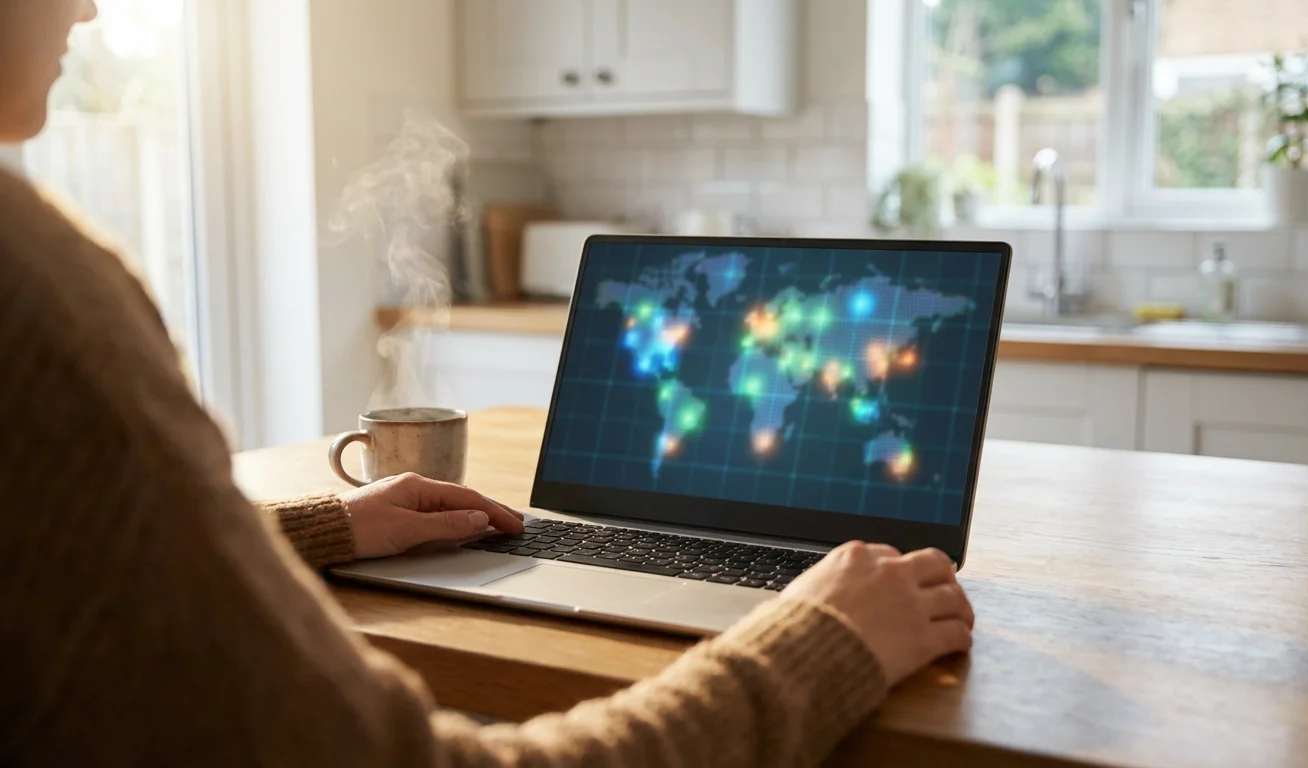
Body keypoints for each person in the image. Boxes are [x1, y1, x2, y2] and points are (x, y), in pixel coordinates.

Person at [0, 0, 976, 765]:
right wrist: (815, 644)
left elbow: (72, 569)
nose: (88, 10)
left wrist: (329, 526)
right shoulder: (39, 293)